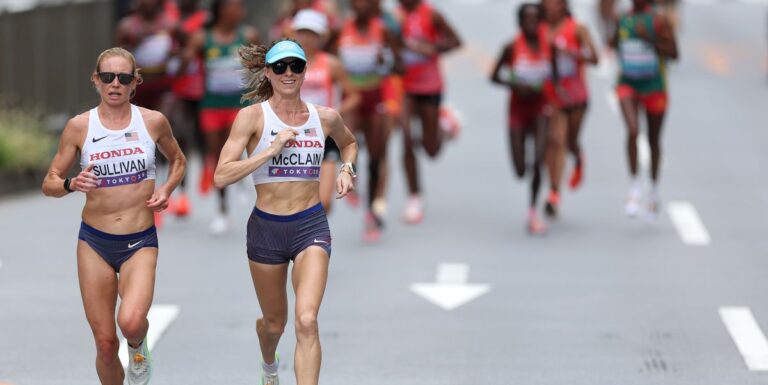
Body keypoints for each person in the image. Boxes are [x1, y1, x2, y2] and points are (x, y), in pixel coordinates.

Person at [214, 39, 357, 385]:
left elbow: (349, 143)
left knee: (306, 320)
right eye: (280, 67)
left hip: (310, 225)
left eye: (295, 66)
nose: (288, 73)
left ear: (305, 71)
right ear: (268, 72)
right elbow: (221, 175)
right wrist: (269, 152)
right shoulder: (251, 118)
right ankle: (268, 363)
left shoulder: (324, 117)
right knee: (274, 323)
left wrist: (346, 170)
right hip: (267, 228)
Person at [41, 47, 186, 385]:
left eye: (123, 78)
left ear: (135, 83)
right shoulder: (79, 127)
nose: (115, 84)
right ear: (96, 81)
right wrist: (71, 183)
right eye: (108, 77)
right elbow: (48, 183)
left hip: (140, 241)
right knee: (106, 345)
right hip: (95, 242)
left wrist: (166, 190)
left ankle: (138, 347)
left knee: (132, 322)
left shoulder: (152, 121)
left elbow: (178, 160)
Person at [180, 0, 259, 234]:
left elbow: (261, 65)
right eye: (235, 7)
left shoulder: (248, 35)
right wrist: (185, 54)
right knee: (217, 159)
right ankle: (222, 209)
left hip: (239, 105)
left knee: (234, 150)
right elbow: (184, 65)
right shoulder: (203, 38)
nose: (241, 11)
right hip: (211, 105)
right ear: (222, 10)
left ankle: (244, 182)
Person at [338, 0, 402, 241]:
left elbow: (399, 63)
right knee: (349, 142)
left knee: (376, 156)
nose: (362, 4)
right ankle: (350, 177)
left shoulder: (382, 30)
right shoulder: (341, 30)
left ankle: (371, 212)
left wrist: (386, 62)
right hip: (352, 97)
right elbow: (321, 56)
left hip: (375, 96)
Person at [610, 0, 678, 217]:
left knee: (653, 140)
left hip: (654, 85)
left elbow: (674, 53)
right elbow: (612, 43)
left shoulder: (659, 20)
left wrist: (649, 38)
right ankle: (634, 186)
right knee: (632, 130)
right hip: (627, 83)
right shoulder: (624, 19)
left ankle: (654, 189)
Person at [396, 0, 461, 224]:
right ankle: (414, 197)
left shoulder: (431, 14)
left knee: (430, 149)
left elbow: (456, 41)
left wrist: (432, 48)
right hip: (403, 87)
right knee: (405, 136)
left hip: (429, 86)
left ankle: (444, 126)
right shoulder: (394, 17)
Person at [291, 9, 361, 215]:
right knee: (297, 201)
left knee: (325, 202)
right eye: (303, 32)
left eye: (312, 33)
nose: (307, 38)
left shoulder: (331, 63)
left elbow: (354, 96)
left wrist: (336, 112)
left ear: (322, 36)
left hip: (324, 136)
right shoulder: (286, 64)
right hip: (294, 136)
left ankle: (312, 237)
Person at [491, 3, 551, 234]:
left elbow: (556, 75)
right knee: (519, 169)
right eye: (527, 20)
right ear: (520, 23)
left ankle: (533, 211)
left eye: (536, 20)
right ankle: (528, 170)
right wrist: (516, 84)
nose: (532, 24)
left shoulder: (549, 46)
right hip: (518, 108)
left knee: (538, 159)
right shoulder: (511, 47)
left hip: (540, 107)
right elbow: (494, 76)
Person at [540, 0, 598, 217]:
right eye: (546, 4)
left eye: (555, 4)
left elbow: (595, 57)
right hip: (551, 96)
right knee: (555, 140)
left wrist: (571, 53)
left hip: (576, 96)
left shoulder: (578, 28)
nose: (550, 7)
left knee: (570, 142)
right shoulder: (540, 28)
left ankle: (578, 155)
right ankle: (554, 192)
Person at [166, 0, 209, 217]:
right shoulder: (169, 13)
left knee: (203, 136)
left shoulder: (203, 18)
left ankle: (208, 169)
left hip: (202, 86)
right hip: (177, 86)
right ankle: (182, 194)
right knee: (180, 133)